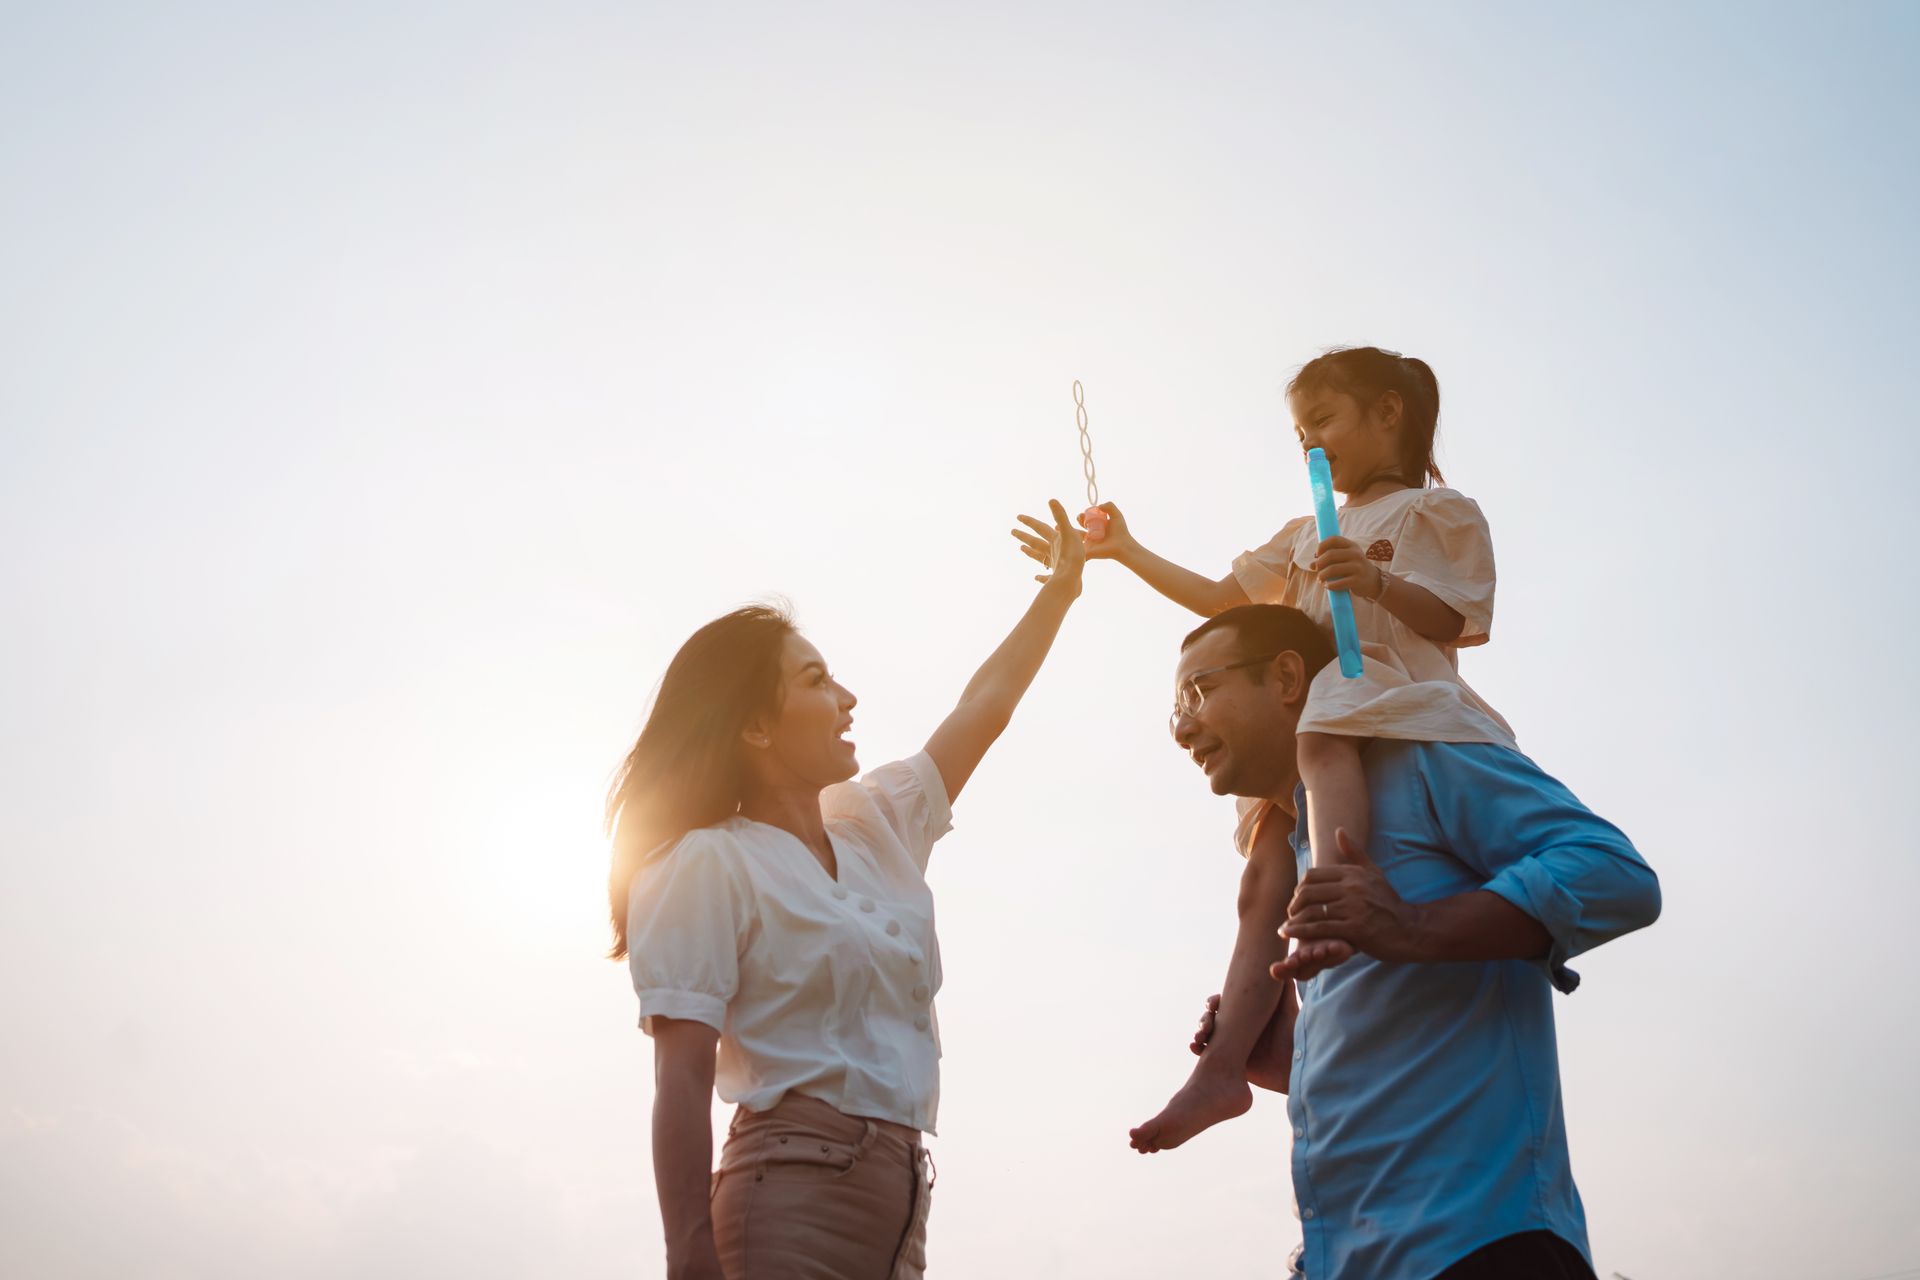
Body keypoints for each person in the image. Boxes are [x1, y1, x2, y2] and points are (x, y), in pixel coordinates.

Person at [1014, 346, 1519, 1152]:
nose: (1309, 445)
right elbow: (1222, 601)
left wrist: (1377, 583)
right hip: (1307, 716)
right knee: (1259, 883)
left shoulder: (1437, 513)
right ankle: (1221, 1068)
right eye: (1298, 434)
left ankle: (1337, 892)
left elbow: (1458, 618)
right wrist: (1127, 550)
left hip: (1386, 701)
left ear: (1388, 412)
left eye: (1323, 420)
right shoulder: (1301, 534)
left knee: (1322, 750)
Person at [609, 501, 1086, 1280]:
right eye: (816, 680)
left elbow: (983, 709)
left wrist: (1059, 592)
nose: (848, 697)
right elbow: (683, 1077)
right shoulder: (704, 864)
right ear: (756, 727)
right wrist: (689, 1253)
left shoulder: (875, 824)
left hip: (901, 1204)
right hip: (789, 1193)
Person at [1161, 602, 1660, 1279]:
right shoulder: (1298, 855)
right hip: (1349, 1257)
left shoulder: (1422, 758)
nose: (1182, 725)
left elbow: (1616, 875)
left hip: (1479, 1246)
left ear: (1284, 678)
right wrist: (1289, 1056)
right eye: (1175, 708)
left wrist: (1415, 927)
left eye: (1198, 691)